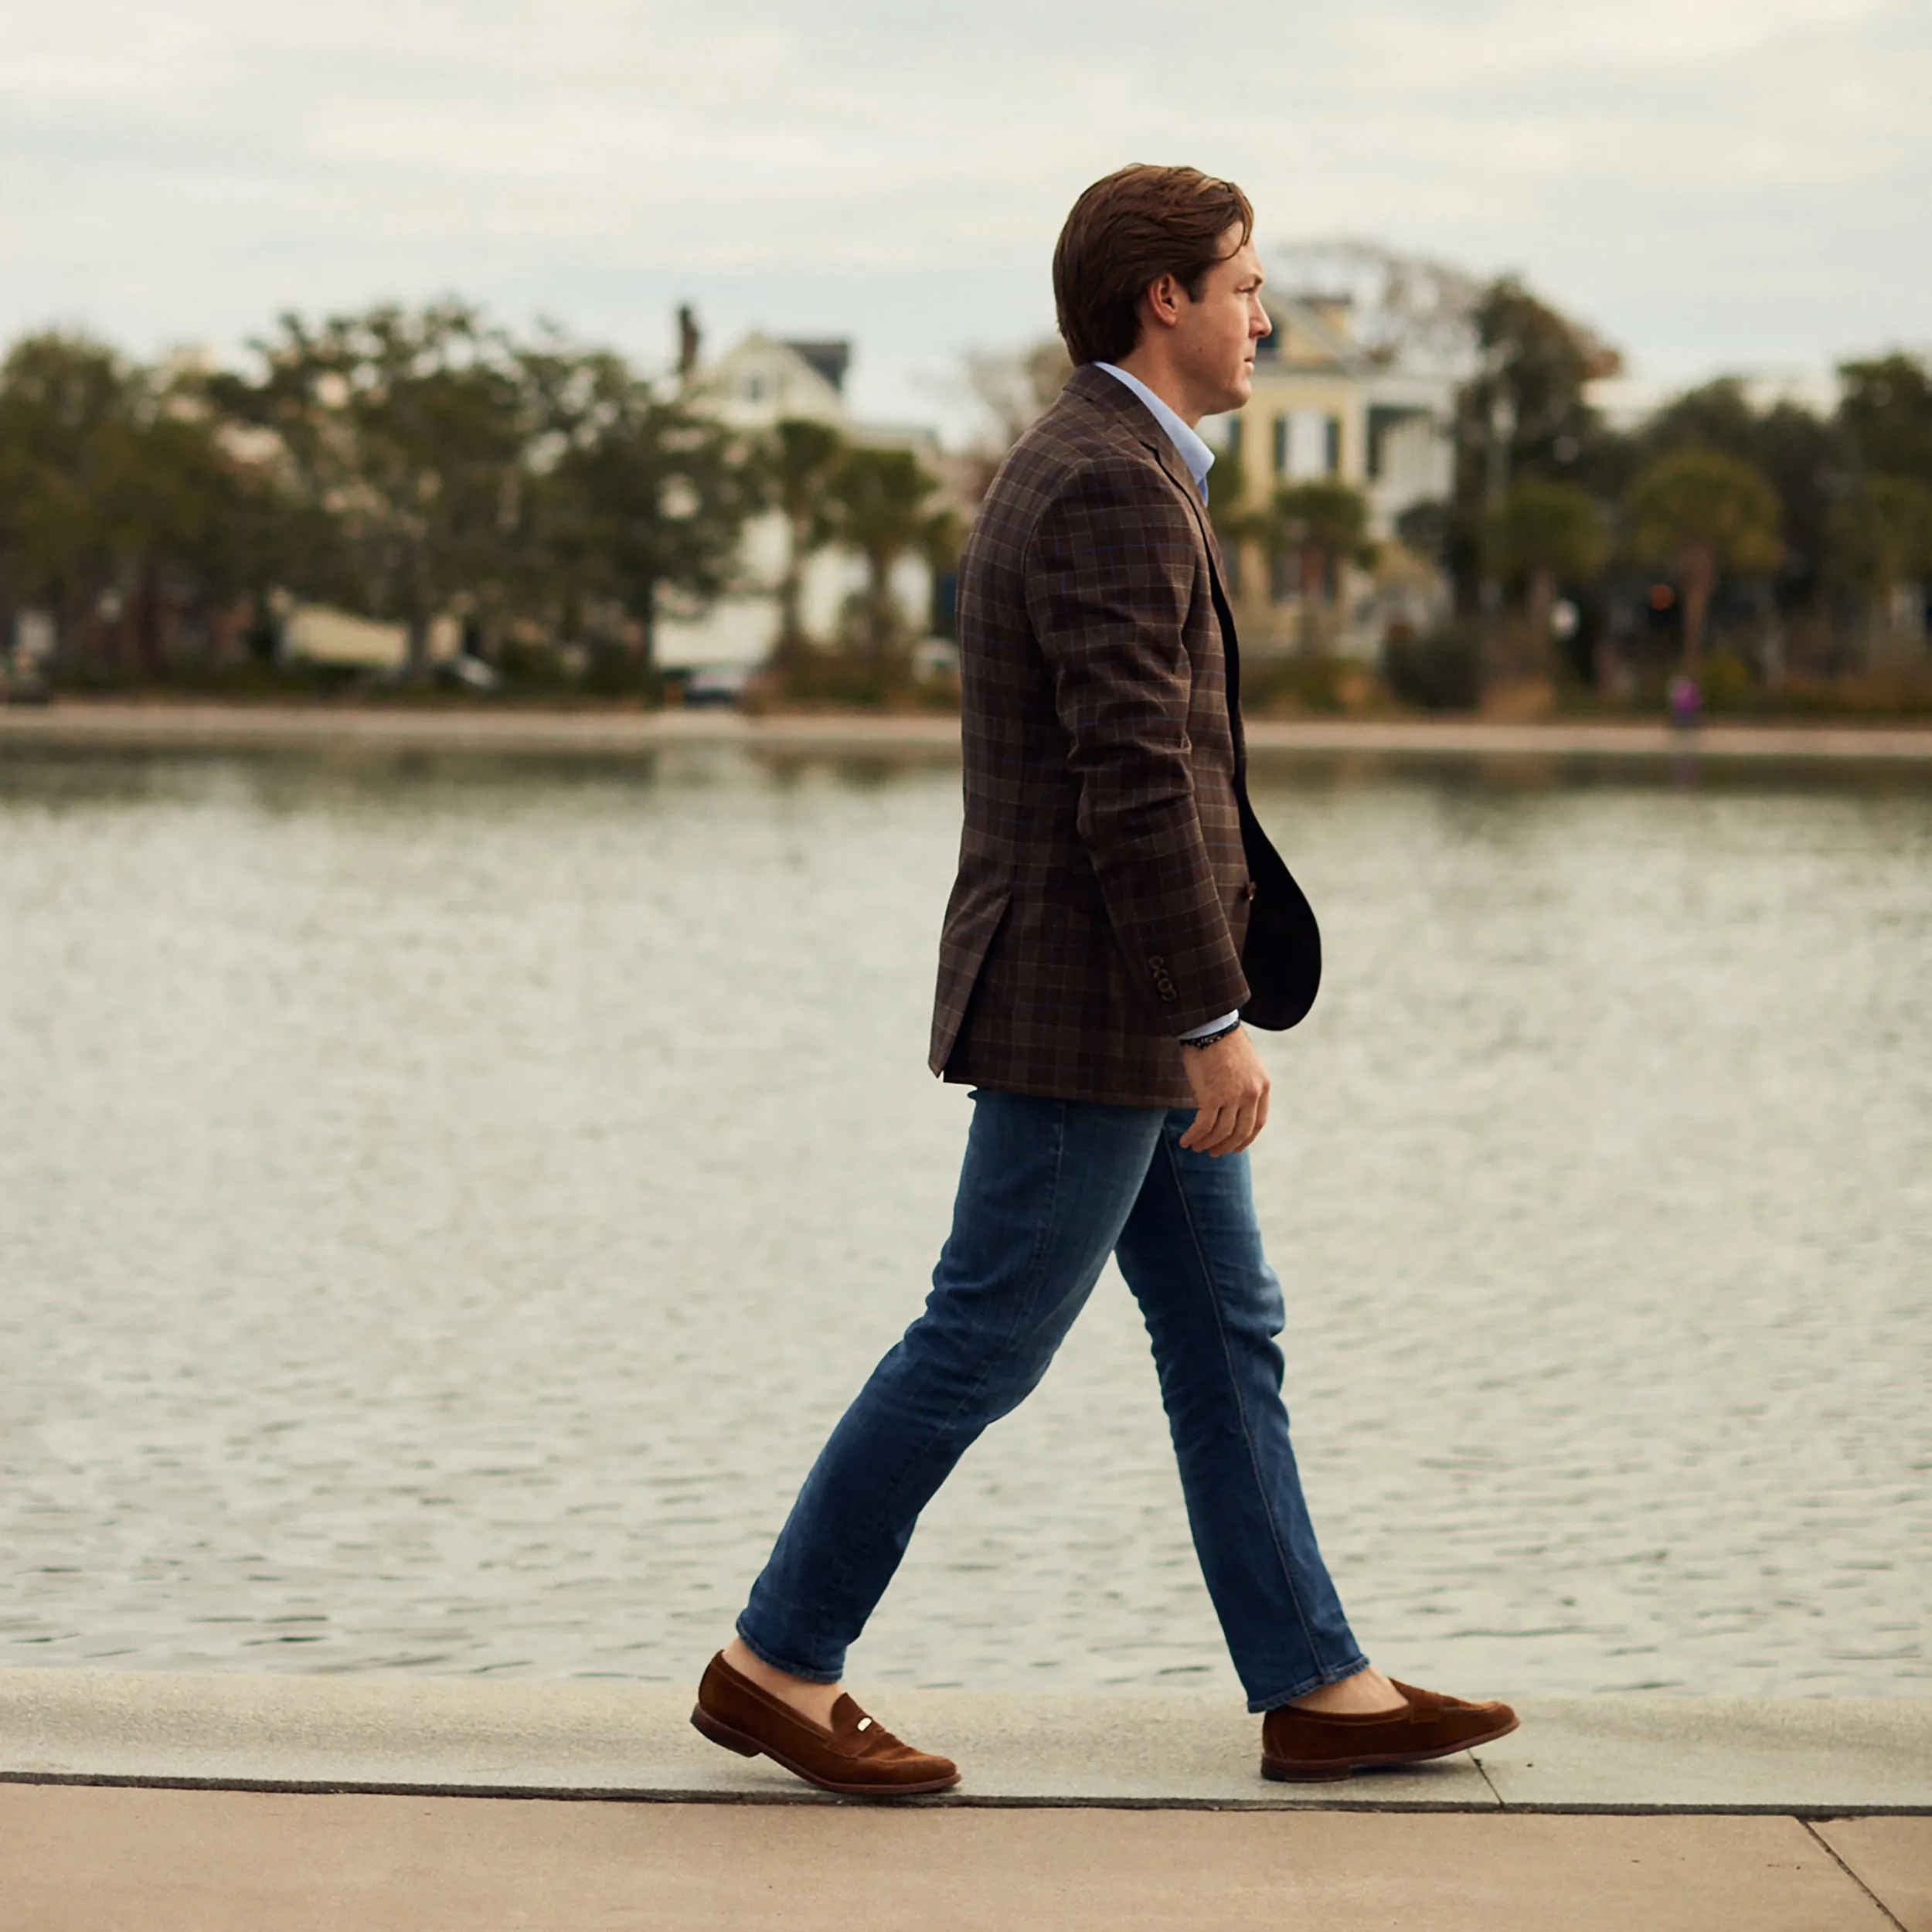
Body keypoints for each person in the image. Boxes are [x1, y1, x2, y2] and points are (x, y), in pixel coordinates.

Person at [691, 164, 1518, 1796]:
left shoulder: (1127, 463)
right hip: (1097, 1008)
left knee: (1225, 1333)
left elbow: (1151, 768)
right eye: (1245, 285)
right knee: (983, 1335)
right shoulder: (1105, 482)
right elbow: (1130, 777)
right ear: (1166, 297)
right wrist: (1207, 1019)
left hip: (1116, 1000)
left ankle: (1311, 1682)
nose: (1263, 316)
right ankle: (774, 1657)